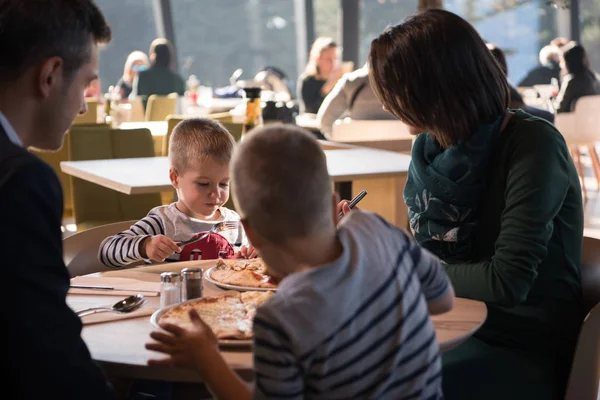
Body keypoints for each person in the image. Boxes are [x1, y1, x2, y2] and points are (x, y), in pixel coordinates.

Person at [146, 125, 454, 399]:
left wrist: (206, 359)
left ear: (250, 231)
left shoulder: (280, 318)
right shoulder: (379, 228)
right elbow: (442, 300)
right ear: (333, 203)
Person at [368, 9, 583, 400]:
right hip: (447, 321)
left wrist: (405, 269)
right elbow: (430, 255)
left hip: (519, 343)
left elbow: (506, 281)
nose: (386, 105)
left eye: (393, 90)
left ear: (434, 87)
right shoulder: (429, 149)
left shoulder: (533, 144)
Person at [0, 0, 115, 398]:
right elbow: (46, 353)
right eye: (85, 83)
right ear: (49, 75)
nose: (84, 105)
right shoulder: (21, 181)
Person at [99, 118, 256, 268]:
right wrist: (144, 246)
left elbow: (242, 265)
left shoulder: (235, 224)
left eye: (223, 184)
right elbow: (106, 251)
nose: (216, 194)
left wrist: (247, 258)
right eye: (203, 184)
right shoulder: (162, 223)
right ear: (175, 178)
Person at [317, 63, 395, 137]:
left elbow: (325, 121)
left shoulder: (352, 81)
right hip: (400, 148)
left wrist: (342, 142)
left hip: (356, 148)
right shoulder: (404, 81)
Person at [486, 43, 554, 123]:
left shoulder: (495, 84)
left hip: (516, 116)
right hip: (516, 118)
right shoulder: (499, 85)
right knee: (548, 116)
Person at [131, 38, 185, 107]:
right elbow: (182, 104)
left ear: (153, 56)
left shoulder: (143, 77)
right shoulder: (178, 80)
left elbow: (136, 101)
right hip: (170, 117)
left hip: (147, 117)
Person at [297, 37, 345, 114]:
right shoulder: (307, 81)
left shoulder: (341, 80)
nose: (333, 63)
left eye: (335, 59)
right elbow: (312, 109)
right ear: (318, 59)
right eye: (329, 59)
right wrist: (328, 86)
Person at [555, 42, 600, 113]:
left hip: (572, 122)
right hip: (594, 121)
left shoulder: (571, 81)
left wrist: (551, 100)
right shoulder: (593, 78)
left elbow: (559, 109)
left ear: (567, 62)